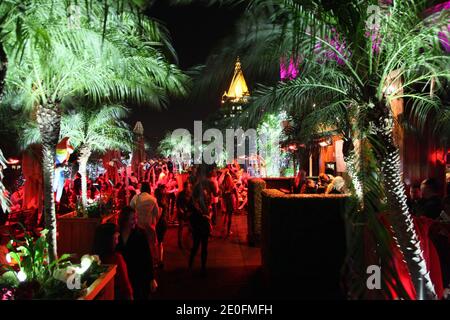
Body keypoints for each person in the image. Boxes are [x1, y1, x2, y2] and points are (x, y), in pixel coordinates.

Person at [117, 206, 157, 300]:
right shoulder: (117, 235)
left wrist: (152, 278)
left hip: (139, 275)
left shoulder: (140, 234)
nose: (135, 221)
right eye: (132, 219)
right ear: (124, 220)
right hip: (124, 275)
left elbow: (147, 256)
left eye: (136, 218)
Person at [93, 223, 133, 300]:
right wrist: (130, 295)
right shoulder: (116, 258)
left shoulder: (93, 259)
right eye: (115, 238)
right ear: (108, 241)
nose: (117, 242)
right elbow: (125, 283)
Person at [188, 167, 216, 276]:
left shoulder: (209, 185)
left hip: (204, 219)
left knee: (204, 245)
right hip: (199, 219)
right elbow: (193, 202)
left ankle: (203, 267)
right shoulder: (197, 187)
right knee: (196, 244)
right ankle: (191, 264)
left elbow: (215, 195)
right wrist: (201, 212)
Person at [130, 182, 160, 267]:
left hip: (138, 226)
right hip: (149, 226)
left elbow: (131, 209)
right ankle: (152, 263)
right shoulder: (153, 199)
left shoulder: (136, 198)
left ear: (141, 189)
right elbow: (157, 214)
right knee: (150, 245)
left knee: (139, 245)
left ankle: (140, 263)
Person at [154, 184, 168, 269]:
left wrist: (154, 224)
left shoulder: (158, 203)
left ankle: (158, 261)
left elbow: (158, 215)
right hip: (164, 223)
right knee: (160, 242)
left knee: (157, 242)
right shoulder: (164, 201)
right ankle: (160, 260)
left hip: (160, 223)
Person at [176, 181, 193, 249]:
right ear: (184, 187)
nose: (187, 188)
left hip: (188, 213)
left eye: (188, 187)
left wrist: (191, 211)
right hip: (182, 213)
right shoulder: (180, 194)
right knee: (181, 227)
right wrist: (180, 210)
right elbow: (178, 204)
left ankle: (187, 240)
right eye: (186, 187)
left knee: (191, 227)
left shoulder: (190, 194)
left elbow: (192, 203)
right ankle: (180, 242)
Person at [222, 172, 238, 237]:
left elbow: (222, 195)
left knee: (225, 215)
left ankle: (224, 229)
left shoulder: (223, 186)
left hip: (225, 202)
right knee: (229, 217)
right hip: (230, 202)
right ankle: (228, 231)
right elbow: (236, 195)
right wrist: (237, 203)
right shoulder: (232, 185)